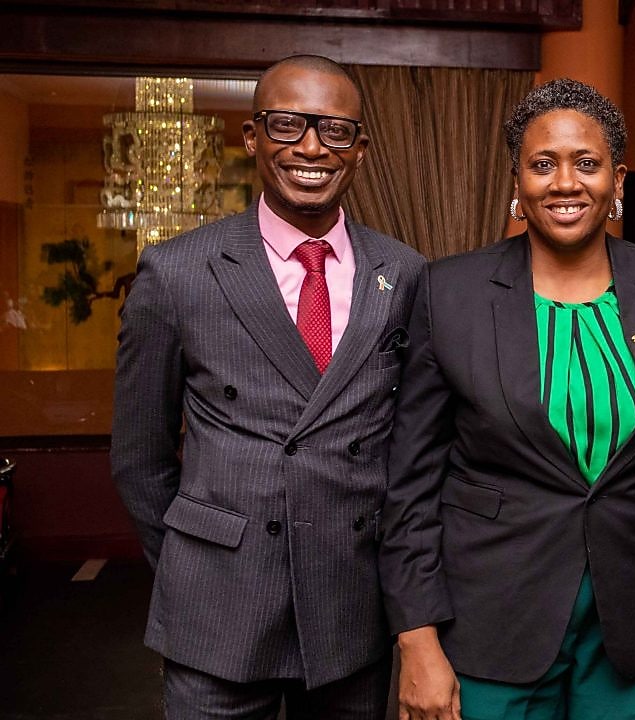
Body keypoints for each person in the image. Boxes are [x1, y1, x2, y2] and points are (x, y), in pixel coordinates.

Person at [380, 78, 635, 720]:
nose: (564, 183)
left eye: (587, 164)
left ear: (617, 179)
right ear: (517, 182)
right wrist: (417, 636)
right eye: (543, 164)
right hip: (490, 627)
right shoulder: (449, 291)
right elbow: (409, 484)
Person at [111, 54, 427, 718]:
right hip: (218, 611)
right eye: (287, 124)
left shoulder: (404, 274)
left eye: (334, 130)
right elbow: (139, 459)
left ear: (361, 150)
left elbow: (411, 447)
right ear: (252, 137)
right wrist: (198, 562)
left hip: (349, 604)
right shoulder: (177, 272)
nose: (311, 146)